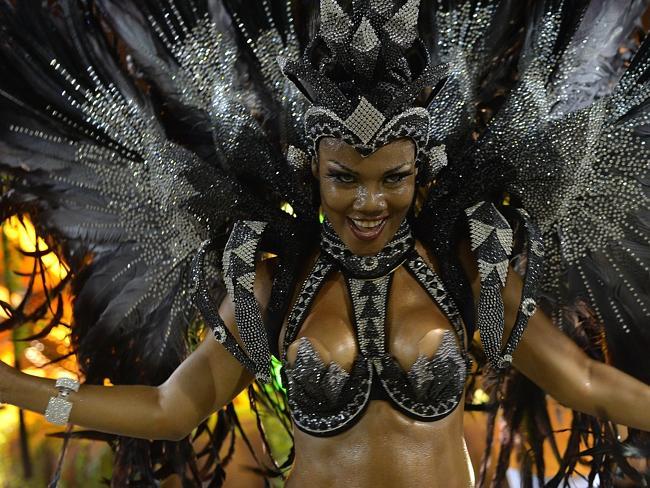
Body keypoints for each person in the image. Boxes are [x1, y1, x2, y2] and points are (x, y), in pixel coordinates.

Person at [0, 0, 649, 487]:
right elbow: (174, 409)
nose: (369, 202)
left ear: (417, 173)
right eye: (346, 178)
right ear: (315, 169)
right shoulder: (271, 284)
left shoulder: (468, 274)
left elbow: (586, 382)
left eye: (391, 178)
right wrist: (20, 390)